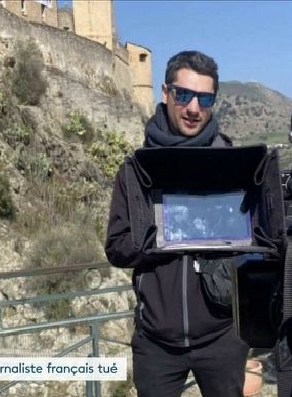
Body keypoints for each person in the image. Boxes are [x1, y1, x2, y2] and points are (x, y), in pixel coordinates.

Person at [105, 50, 249, 397]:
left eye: (205, 98)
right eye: (184, 95)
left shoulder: (236, 164)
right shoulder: (134, 171)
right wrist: (161, 235)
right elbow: (116, 248)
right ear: (166, 93)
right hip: (156, 344)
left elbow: (257, 242)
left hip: (223, 337)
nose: (194, 108)